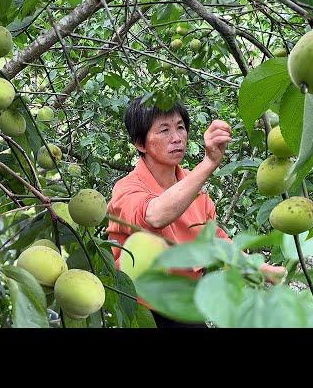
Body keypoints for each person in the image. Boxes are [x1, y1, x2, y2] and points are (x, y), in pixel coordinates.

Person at [107, 97, 287, 328]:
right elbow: (154, 216)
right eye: (164, 130)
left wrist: (262, 269)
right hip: (142, 307)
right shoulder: (127, 188)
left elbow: (216, 242)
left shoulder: (195, 191)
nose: (176, 138)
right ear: (140, 144)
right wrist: (209, 163)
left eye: (180, 127)